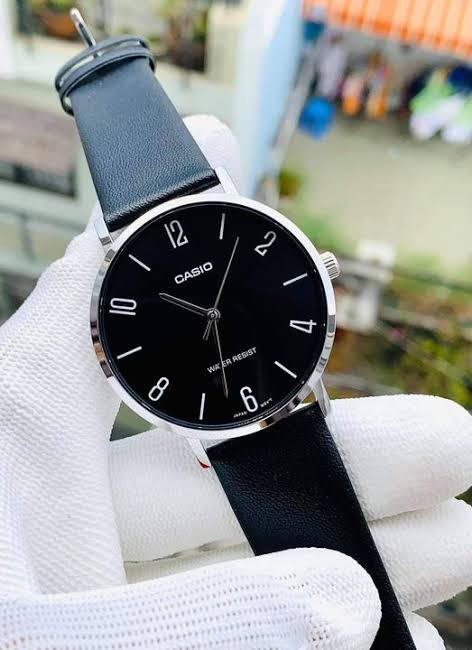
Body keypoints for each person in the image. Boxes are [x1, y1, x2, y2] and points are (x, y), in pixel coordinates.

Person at [0, 115, 471, 649]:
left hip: (272, 402)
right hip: (220, 427)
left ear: (320, 269)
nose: (213, 315)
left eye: (217, 309)